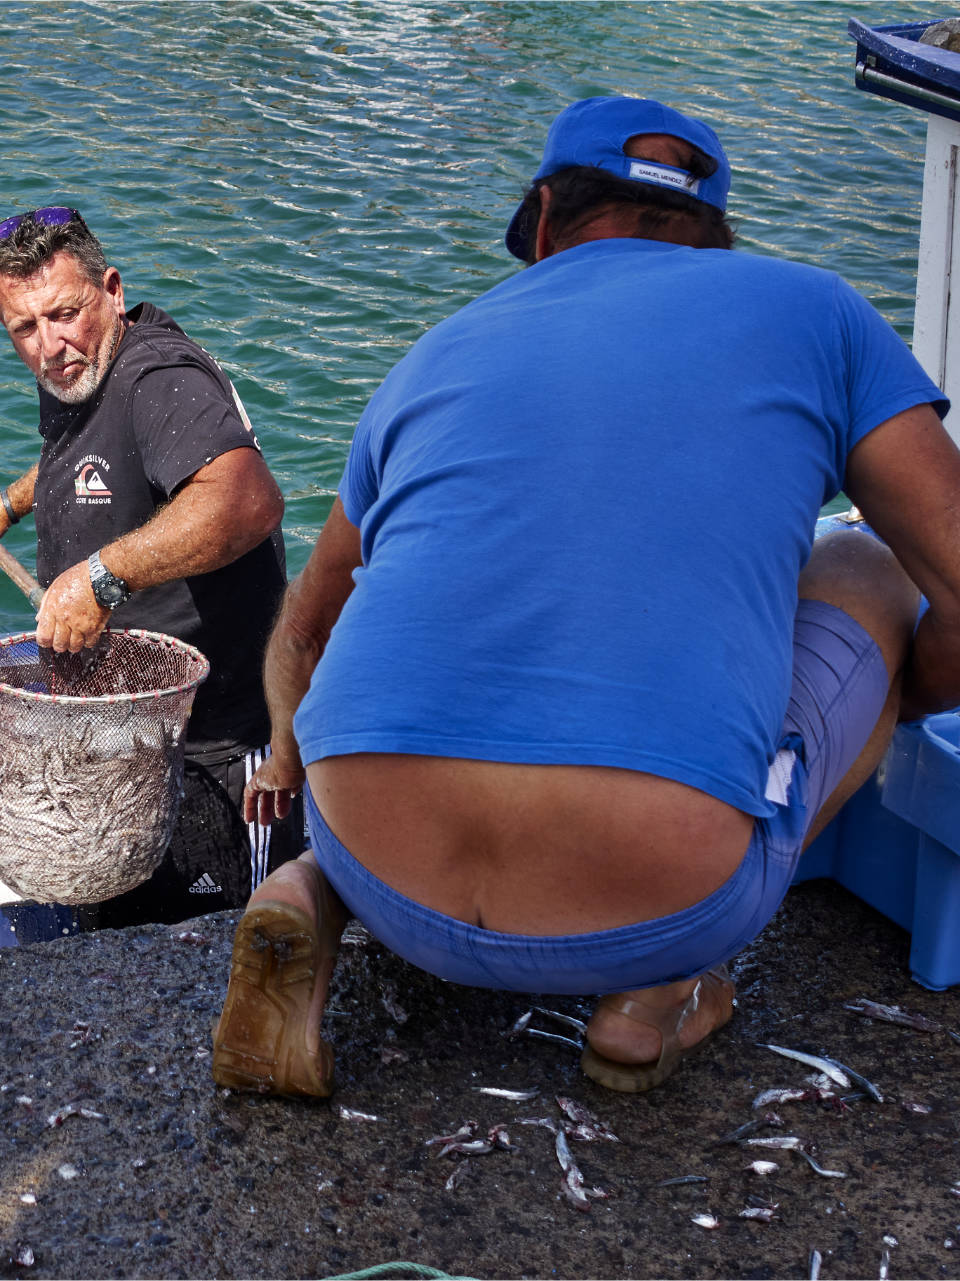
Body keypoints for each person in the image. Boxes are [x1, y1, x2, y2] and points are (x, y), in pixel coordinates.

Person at [210, 96, 960, 1098]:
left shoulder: (436, 348)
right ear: (714, 245)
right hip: (658, 899)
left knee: (403, 653)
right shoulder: (816, 310)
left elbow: (304, 631)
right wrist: (910, 690)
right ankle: (657, 998)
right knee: (867, 561)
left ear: (546, 222)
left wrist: (295, 767)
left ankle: (310, 888)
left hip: (381, 862)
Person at [0, 206, 300, 924]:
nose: (50, 345)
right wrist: (12, 503)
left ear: (110, 288)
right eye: (24, 328)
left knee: (232, 953)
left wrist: (103, 578)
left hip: (220, 754)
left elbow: (248, 500)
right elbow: (93, 461)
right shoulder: (83, 369)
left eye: (64, 313)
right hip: (130, 742)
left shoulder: (159, 378)